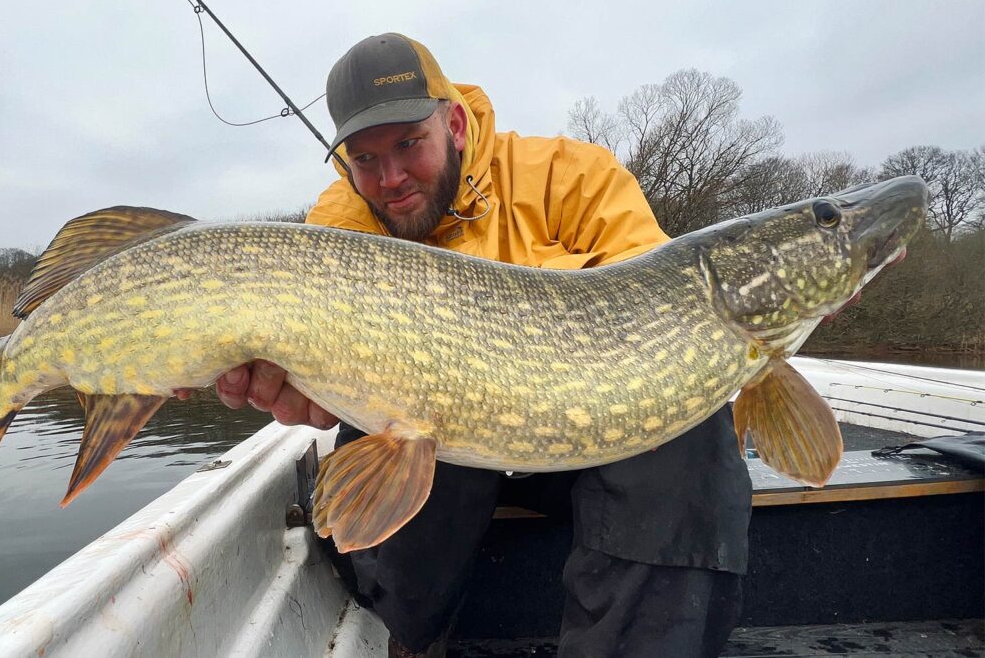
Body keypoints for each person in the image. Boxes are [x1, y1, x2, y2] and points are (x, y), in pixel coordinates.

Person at [213, 33, 752, 657]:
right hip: (430, 442)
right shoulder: (340, 224)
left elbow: (654, 304)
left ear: (458, 124)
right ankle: (415, 636)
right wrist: (306, 387)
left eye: (408, 145)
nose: (389, 178)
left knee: (688, 423)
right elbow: (321, 376)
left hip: (577, 441)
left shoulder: (572, 176)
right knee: (423, 413)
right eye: (364, 159)